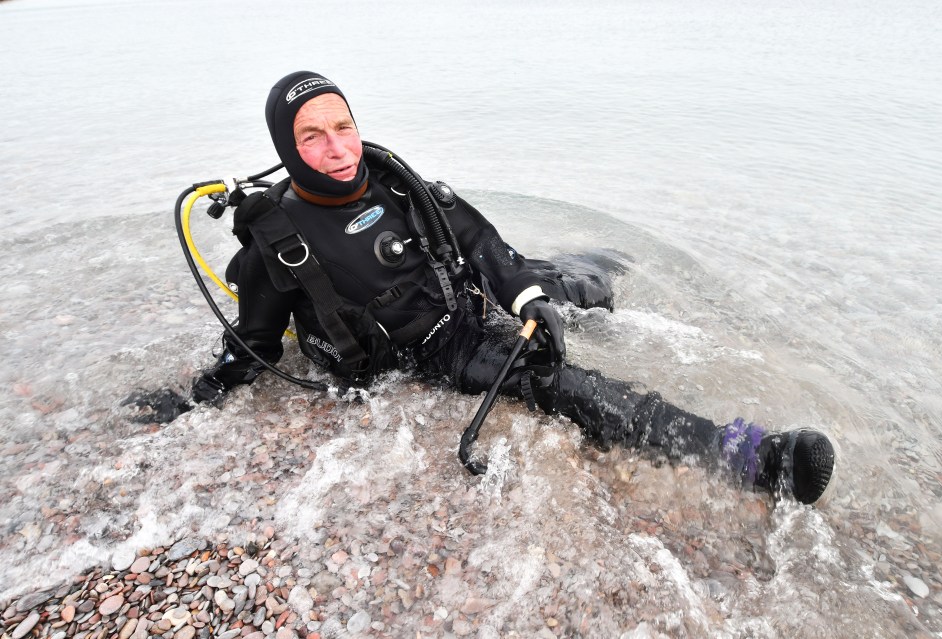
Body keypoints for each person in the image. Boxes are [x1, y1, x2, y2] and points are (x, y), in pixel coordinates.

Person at [168, 71, 835, 505]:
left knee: (574, 287)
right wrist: (196, 396)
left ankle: (591, 271)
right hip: (431, 350)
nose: (337, 147)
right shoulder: (276, 241)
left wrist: (527, 299)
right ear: (286, 145)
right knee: (563, 382)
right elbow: (251, 344)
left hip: (463, 300)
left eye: (342, 125)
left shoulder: (397, 182)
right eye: (312, 136)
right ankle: (750, 456)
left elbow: (484, 246)